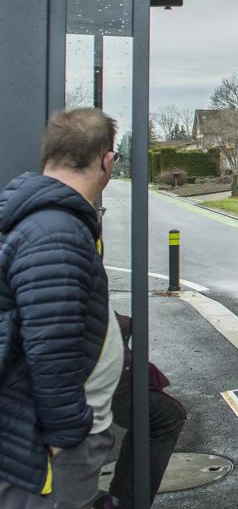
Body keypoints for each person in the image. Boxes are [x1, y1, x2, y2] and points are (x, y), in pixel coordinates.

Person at [0, 109, 124, 508]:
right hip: (53, 446)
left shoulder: (46, 222)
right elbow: (50, 346)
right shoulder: (57, 231)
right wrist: (66, 435)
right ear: (107, 161)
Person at [93, 314, 186, 509]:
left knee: (153, 417)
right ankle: (125, 502)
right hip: (98, 378)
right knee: (163, 417)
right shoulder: (72, 285)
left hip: (102, 372)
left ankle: (118, 498)